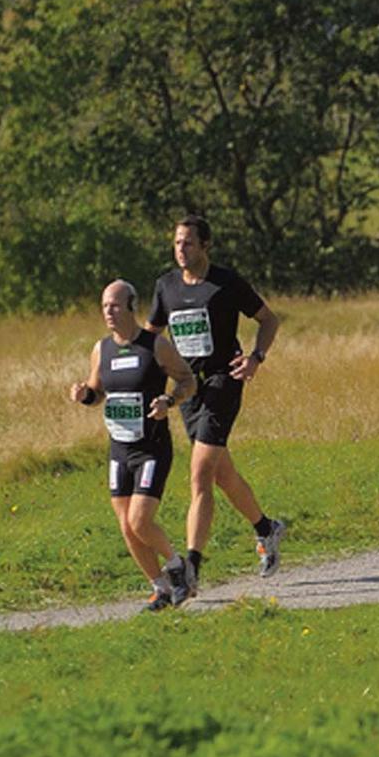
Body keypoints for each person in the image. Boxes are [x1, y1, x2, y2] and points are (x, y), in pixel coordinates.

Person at [145, 216, 285, 595]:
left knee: (201, 473)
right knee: (223, 474)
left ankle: (191, 567)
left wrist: (256, 356)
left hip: (224, 382)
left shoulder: (226, 283)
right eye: (176, 242)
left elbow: (268, 320)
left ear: (206, 246)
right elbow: (151, 341)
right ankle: (266, 528)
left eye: (188, 243)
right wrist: (148, 386)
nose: (181, 249)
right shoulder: (166, 287)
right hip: (187, 390)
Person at [71, 279, 197, 611]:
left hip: (152, 446)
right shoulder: (101, 349)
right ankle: (160, 588)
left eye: (114, 305)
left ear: (131, 306)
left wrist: (168, 401)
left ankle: (176, 566)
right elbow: (97, 393)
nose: (108, 313)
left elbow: (188, 380)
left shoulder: (155, 345)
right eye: (103, 307)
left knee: (141, 520)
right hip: (119, 448)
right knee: (127, 526)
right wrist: (85, 394)